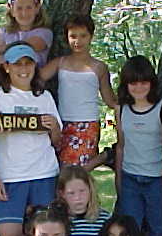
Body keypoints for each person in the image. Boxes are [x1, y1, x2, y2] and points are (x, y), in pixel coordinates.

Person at [0, 42, 63, 236]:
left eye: (28, 63)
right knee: (9, 235)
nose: (24, 69)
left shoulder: (44, 97)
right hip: (10, 176)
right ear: (6, 67)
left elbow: (56, 140)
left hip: (44, 173)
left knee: (46, 231)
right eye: (17, 64)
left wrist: (54, 127)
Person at [115, 55, 162, 236]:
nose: (139, 87)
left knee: (158, 234)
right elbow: (121, 146)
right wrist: (119, 181)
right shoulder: (121, 109)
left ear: (151, 83)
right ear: (126, 84)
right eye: (133, 82)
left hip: (156, 180)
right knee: (129, 234)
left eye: (144, 82)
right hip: (130, 179)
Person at [40, 14, 117, 168]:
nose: (78, 41)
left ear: (91, 37)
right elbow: (36, 79)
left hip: (87, 123)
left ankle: (105, 156)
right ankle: (105, 156)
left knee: (76, 170)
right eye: (73, 36)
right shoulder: (60, 62)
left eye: (83, 36)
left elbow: (110, 100)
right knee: (61, 170)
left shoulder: (99, 67)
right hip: (61, 122)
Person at [56, 165, 111, 236]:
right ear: (62, 194)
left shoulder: (103, 218)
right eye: (71, 193)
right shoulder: (58, 219)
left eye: (82, 191)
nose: (78, 197)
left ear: (90, 189)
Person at [0, 0, 53, 69]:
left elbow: (24, 47)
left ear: (37, 8)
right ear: (12, 11)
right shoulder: (3, 32)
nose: (24, 13)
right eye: (19, 8)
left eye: (29, 7)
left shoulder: (44, 33)